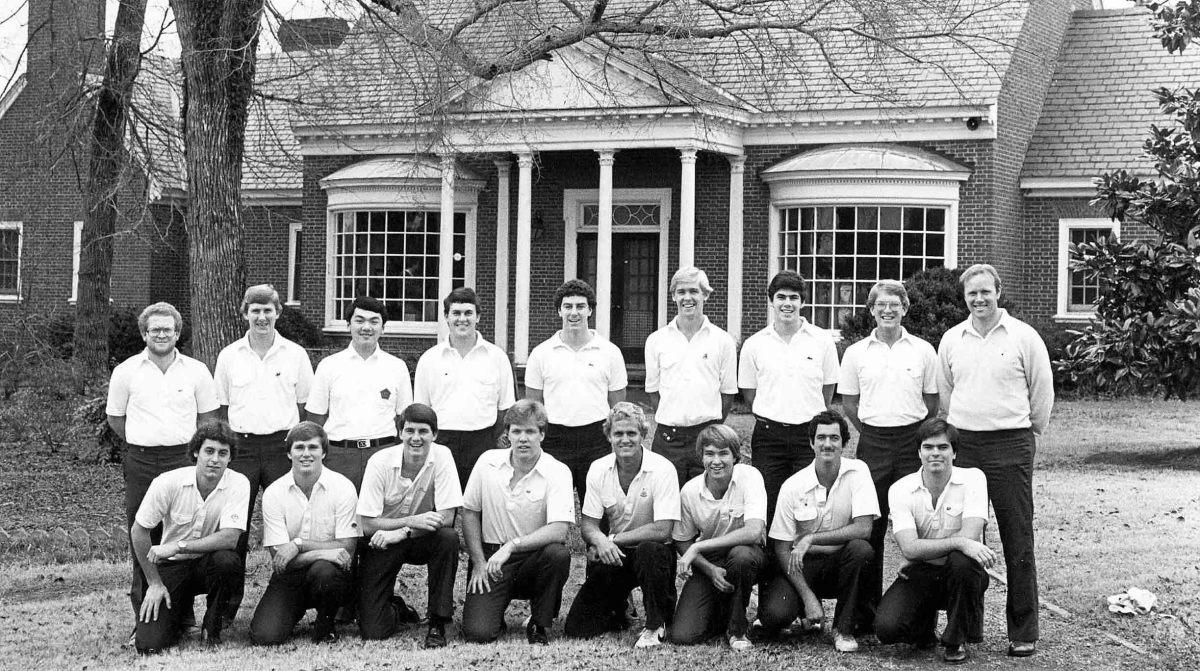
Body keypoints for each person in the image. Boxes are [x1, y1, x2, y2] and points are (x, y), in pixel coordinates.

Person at [937, 263, 1052, 657]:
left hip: (1011, 444)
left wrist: (1021, 430)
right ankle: (967, 629)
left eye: (986, 292)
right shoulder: (952, 338)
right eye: (972, 293)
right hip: (965, 446)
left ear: (998, 291)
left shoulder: (1024, 336)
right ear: (964, 297)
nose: (979, 299)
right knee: (967, 539)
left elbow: (1041, 394)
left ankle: (1023, 630)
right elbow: (946, 392)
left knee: (1017, 538)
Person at [107, 301, 219, 618]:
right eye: (154, 329)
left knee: (181, 534)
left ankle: (182, 614)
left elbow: (208, 419)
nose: (161, 334)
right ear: (144, 334)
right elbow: (116, 420)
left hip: (183, 459)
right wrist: (144, 441)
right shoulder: (125, 371)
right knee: (142, 531)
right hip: (141, 461)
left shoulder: (196, 371)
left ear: (177, 333)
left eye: (166, 329)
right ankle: (143, 615)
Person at [214, 283, 315, 620]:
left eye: (267, 310)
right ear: (245, 314)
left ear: (277, 313)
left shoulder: (296, 355)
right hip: (240, 448)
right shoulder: (229, 356)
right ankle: (227, 607)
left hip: (281, 447)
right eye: (254, 310)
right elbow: (220, 409)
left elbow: (307, 408)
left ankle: (289, 599)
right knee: (234, 528)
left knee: (290, 522)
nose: (261, 316)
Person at [838, 279, 939, 611]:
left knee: (919, 519)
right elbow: (849, 402)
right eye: (880, 305)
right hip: (874, 441)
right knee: (872, 525)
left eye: (895, 305)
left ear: (905, 309)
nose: (888, 311)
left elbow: (932, 401)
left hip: (912, 440)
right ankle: (866, 613)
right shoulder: (855, 353)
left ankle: (917, 609)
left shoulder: (924, 350)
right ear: (871, 310)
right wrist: (870, 429)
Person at [874, 418, 995, 665]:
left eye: (943, 447)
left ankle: (956, 639)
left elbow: (970, 536)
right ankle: (924, 630)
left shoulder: (974, 479)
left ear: (955, 452)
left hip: (960, 573)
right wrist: (957, 542)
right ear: (919, 453)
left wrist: (922, 550)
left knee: (963, 561)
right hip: (921, 572)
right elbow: (909, 547)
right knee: (886, 628)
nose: (935, 453)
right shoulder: (899, 489)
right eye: (928, 447)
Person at [757, 410, 878, 653]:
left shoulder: (859, 472)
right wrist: (808, 597)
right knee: (774, 616)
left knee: (861, 549)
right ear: (811, 443)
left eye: (834, 438)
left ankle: (843, 629)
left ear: (844, 442)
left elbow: (864, 528)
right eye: (821, 438)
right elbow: (781, 547)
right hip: (802, 565)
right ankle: (803, 610)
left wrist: (812, 537)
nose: (827, 444)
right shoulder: (793, 485)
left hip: (841, 562)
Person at [564, 402, 681, 648]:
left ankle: (656, 624)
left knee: (650, 549)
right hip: (618, 555)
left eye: (631, 433)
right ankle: (619, 610)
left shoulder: (663, 468)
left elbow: (663, 529)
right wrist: (600, 541)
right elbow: (588, 524)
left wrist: (611, 540)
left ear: (643, 435)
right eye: (618, 433)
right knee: (577, 628)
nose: (625, 439)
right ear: (608, 436)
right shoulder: (598, 468)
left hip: (655, 554)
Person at [130, 420, 250, 653]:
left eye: (223, 453)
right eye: (209, 451)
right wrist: (154, 583)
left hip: (209, 563)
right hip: (172, 568)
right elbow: (139, 530)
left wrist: (178, 546)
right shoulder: (167, 482)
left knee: (227, 560)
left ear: (230, 458)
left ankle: (212, 626)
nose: (215, 459)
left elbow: (230, 538)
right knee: (149, 645)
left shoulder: (239, 483)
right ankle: (176, 617)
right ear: (196, 452)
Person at [460, 399, 574, 645]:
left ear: (542, 434)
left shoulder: (558, 470)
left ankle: (539, 623)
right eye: (517, 431)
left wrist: (512, 545)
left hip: (534, 557)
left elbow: (559, 530)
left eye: (531, 431)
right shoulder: (487, 462)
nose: (523, 438)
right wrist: (479, 562)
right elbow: (469, 512)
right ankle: (493, 611)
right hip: (491, 559)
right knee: (478, 633)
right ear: (507, 434)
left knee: (558, 554)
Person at [357, 403, 462, 648]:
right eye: (410, 430)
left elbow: (447, 517)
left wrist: (404, 532)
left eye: (423, 431)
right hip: (381, 540)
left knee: (448, 538)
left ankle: (437, 621)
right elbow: (367, 524)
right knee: (373, 630)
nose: (416, 438)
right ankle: (396, 608)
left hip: (420, 537)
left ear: (434, 435)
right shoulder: (379, 462)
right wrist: (407, 522)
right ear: (400, 433)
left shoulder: (443, 456)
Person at [738, 270, 839, 519]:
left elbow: (827, 391)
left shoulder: (822, 341)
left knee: (808, 504)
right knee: (770, 504)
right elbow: (750, 393)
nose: (787, 304)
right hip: (768, 437)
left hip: (808, 436)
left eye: (794, 297)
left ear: (802, 302)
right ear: (771, 301)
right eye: (781, 297)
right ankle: (772, 559)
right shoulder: (755, 344)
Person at [248, 421, 358, 645]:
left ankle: (326, 624)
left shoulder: (343, 487)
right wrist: (323, 552)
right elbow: (279, 558)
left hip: (329, 574)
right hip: (290, 576)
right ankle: (293, 610)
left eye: (313, 447)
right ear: (289, 454)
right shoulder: (274, 492)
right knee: (265, 636)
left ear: (324, 452)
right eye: (299, 448)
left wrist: (298, 544)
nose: (306, 454)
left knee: (325, 572)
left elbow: (347, 547)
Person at [524, 279, 627, 503]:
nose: (574, 313)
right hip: (554, 439)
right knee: (551, 504)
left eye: (580, 306)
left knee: (599, 506)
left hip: (596, 438)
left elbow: (617, 406)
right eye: (568, 306)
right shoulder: (541, 353)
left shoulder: (610, 352)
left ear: (590, 309)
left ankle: (599, 539)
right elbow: (533, 406)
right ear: (559, 310)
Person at [669, 424, 766, 652]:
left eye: (723, 453)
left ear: (735, 456)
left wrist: (699, 546)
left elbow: (753, 531)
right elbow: (682, 540)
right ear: (701, 456)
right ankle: (723, 610)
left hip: (749, 553)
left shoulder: (750, 477)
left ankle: (737, 630)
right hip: (711, 561)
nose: (716, 461)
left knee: (740, 556)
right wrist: (709, 569)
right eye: (709, 453)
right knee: (683, 635)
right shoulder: (690, 491)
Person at [307, 295, 413, 490]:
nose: (367, 327)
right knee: (339, 517)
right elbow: (315, 418)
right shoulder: (329, 366)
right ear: (348, 325)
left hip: (384, 454)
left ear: (383, 327)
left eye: (374, 322)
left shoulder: (397, 367)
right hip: (339, 456)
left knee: (381, 516)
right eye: (359, 320)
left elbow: (404, 419)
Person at [645, 267, 738, 488]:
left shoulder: (722, 341)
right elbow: (653, 392)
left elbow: (727, 395)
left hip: (707, 438)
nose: (687, 298)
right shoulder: (656, 340)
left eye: (694, 291)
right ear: (674, 296)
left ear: (705, 295)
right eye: (681, 292)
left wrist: (708, 429)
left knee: (706, 504)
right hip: (668, 441)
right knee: (668, 505)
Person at [414, 287, 516, 487]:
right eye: (456, 313)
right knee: (441, 509)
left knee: (482, 508)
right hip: (442, 442)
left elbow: (505, 408)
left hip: (483, 442)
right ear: (446, 317)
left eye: (468, 313)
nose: (462, 319)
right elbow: (421, 410)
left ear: (478, 317)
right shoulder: (429, 359)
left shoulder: (497, 357)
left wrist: (498, 445)